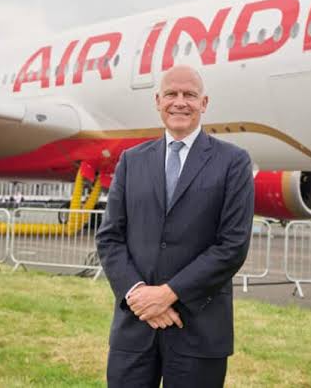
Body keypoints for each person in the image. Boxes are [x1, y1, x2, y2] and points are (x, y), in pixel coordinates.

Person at [95, 65, 254, 387]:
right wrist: (138, 294)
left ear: (204, 103)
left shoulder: (233, 162)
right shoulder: (131, 161)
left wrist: (168, 295)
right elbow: (110, 237)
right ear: (158, 101)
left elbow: (232, 246)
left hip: (199, 328)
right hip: (136, 324)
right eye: (171, 94)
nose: (180, 102)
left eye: (189, 95)